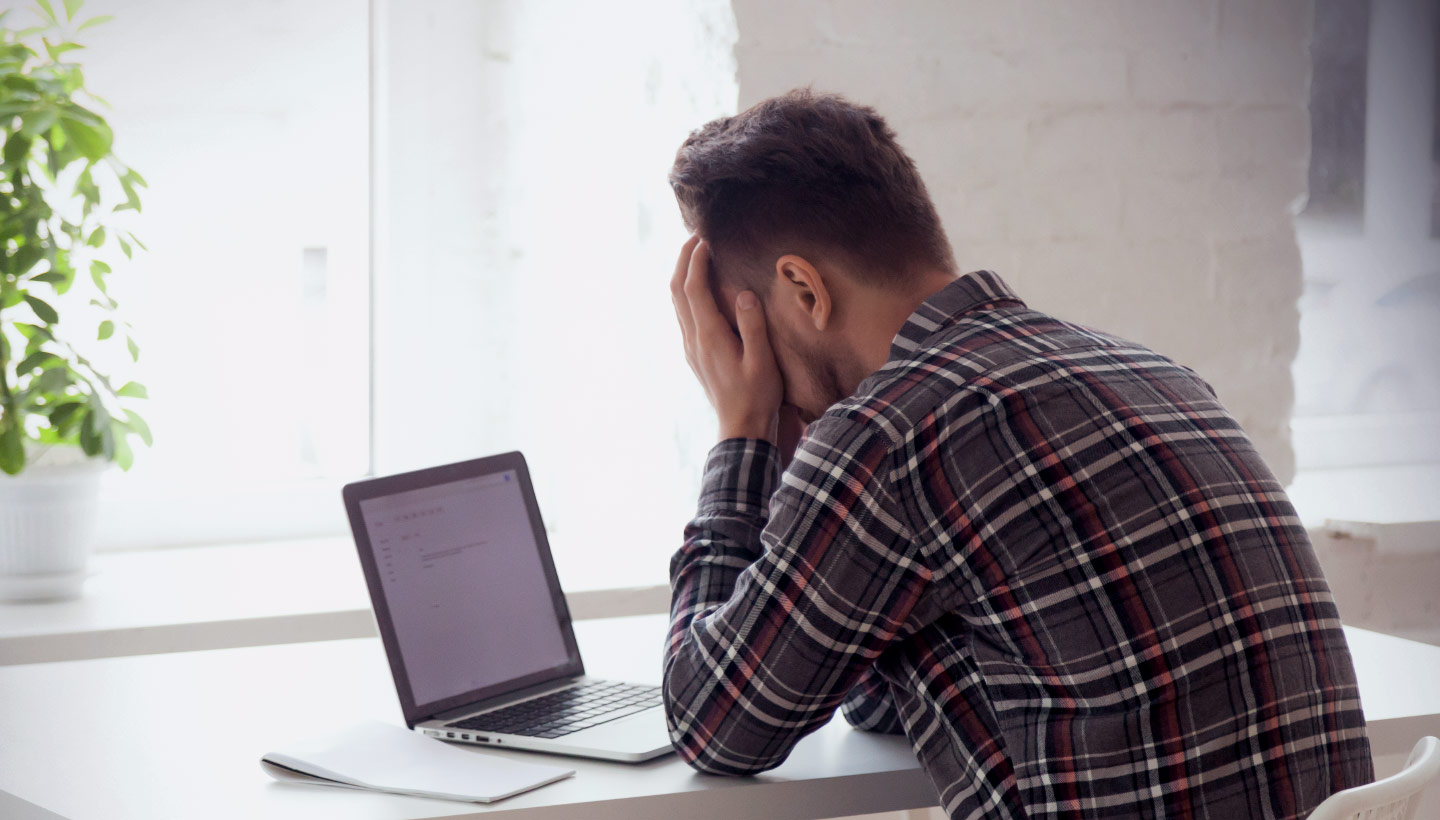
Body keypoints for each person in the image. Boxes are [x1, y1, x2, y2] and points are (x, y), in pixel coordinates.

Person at [661, 89, 1373, 820]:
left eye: (741, 336)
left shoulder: (892, 433)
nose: (745, 365)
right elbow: (882, 691)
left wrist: (742, 436)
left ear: (804, 290)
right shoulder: (1147, 370)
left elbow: (712, 724)